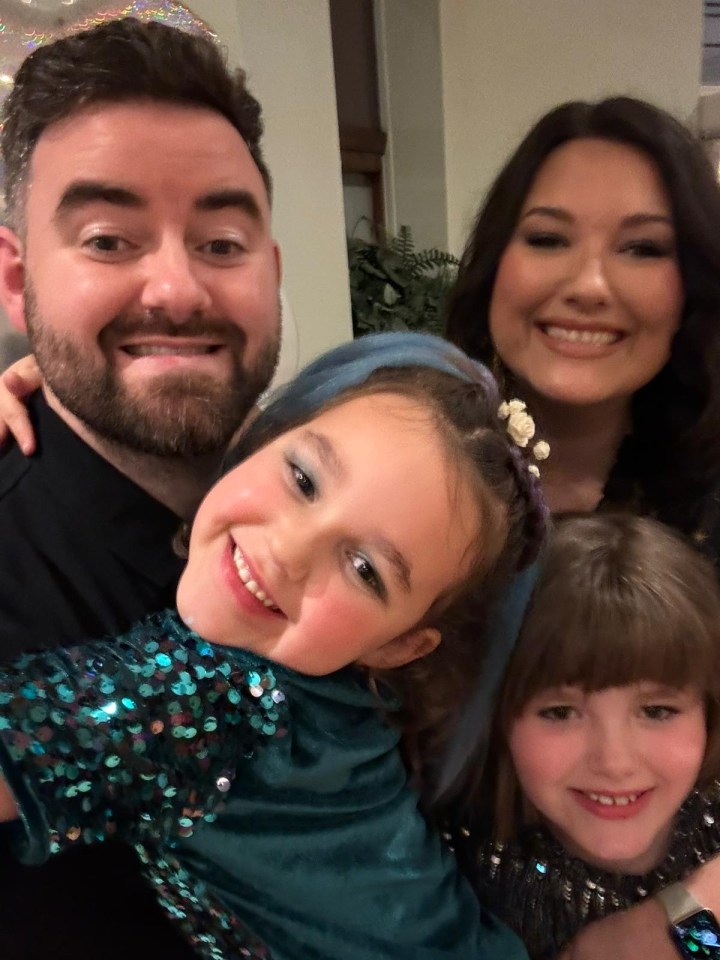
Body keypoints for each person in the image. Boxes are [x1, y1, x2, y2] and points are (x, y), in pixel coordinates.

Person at [0, 332, 548, 960]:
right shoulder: (341, 690)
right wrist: (81, 385)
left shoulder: (214, 698)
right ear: (255, 441)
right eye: (303, 479)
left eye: (365, 569)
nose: (288, 552)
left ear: (401, 645)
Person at [0, 16, 280, 960]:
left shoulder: (360, 507)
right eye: (111, 239)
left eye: (223, 241)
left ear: (272, 271)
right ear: (15, 279)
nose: (177, 288)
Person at [445, 96, 720, 564]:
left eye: (642, 248)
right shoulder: (406, 457)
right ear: (493, 267)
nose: (589, 286)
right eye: (548, 239)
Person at [449, 512, 720, 960]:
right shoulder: (465, 893)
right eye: (560, 712)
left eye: (657, 711)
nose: (614, 761)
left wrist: (685, 927)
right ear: (497, 720)